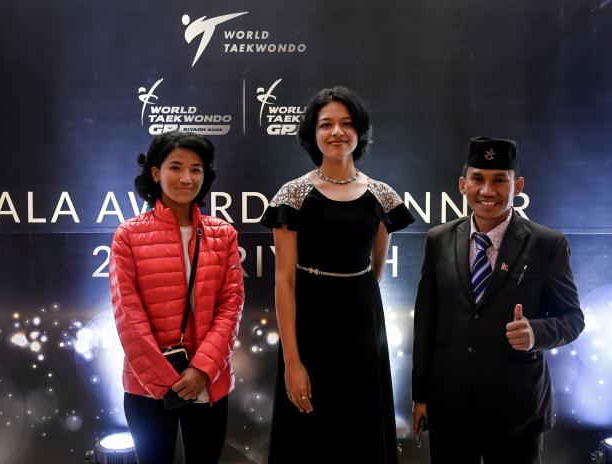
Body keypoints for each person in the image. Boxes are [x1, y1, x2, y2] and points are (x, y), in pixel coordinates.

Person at [260, 86, 415, 463]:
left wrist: (356, 299)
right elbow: (284, 281)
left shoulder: (382, 195)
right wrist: (292, 361)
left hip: (364, 327)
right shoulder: (292, 196)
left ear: (359, 132)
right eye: (326, 124)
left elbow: (375, 268)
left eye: (346, 124)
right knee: (309, 433)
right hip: (309, 326)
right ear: (313, 134)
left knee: (362, 429)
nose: (337, 132)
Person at [411, 136, 585, 464]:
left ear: (517, 185)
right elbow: (426, 321)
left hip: (516, 409)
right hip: (449, 404)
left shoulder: (548, 244)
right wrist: (420, 396)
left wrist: (535, 332)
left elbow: (572, 319)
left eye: (499, 180)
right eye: (478, 179)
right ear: (463, 184)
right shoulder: (438, 239)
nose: (487, 191)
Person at [109, 131, 244, 464]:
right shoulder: (128, 235)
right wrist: (166, 380)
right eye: (176, 167)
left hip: (208, 381)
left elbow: (231, 306)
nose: (187, 178)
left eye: (196, 169)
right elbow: (128, 315)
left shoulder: (223, 234)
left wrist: (201, 369)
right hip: (147, 386)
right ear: (156, 173)